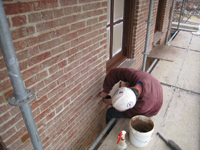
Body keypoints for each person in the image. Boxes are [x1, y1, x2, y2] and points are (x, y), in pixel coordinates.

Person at [99, 68, 163, 132]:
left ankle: (110, 132)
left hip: (151, 111)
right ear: (125, 88)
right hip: (155, 88)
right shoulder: (134, 75)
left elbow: (129, 112)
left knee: (110, 112)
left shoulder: (142, 107)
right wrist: (106, 90)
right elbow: (114, 73)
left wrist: (112, 102)